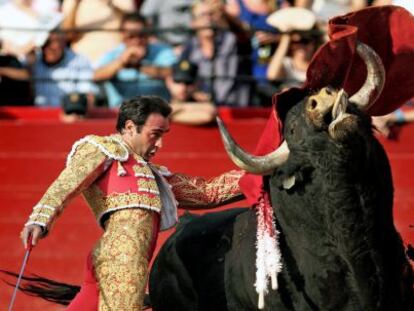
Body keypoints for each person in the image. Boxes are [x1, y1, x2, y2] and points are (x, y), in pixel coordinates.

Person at [21, 95, 243, 310]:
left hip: (119, 258)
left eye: (163, 135)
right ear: (129, 127)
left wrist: (258, 176)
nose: (160, 144)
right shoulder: (103, 148)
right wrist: (40, 219)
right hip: (123, 258)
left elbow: (206, 192)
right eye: (155, 134)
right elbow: (68, 182)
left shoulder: (155, 176)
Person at [94, 13, 177, 107]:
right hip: (122, 112)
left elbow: (172, 72)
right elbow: (96, 76)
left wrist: (138, 66)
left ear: (148, 34)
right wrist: (121, 62)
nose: (136, 41)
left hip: (157, 112)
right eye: (131, 36)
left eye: (141, 36)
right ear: (122, 35)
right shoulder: (113, 55)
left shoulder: (163, 51)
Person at [31, 30, 97, 108]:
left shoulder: (79, 61)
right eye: (45, 43)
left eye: (52, 42)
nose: (48, 48)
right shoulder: (33, 61)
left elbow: (88, 96)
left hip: (69, 115)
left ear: (63, 42)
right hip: (38, 115)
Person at [166, 59, 217, 125]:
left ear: (196, 84)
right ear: (169, 82)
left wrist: (171, 115)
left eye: (188, 83)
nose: (183, 87)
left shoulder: (202, 102)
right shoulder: (160, 97)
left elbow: (207, 116)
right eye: (178, 81)